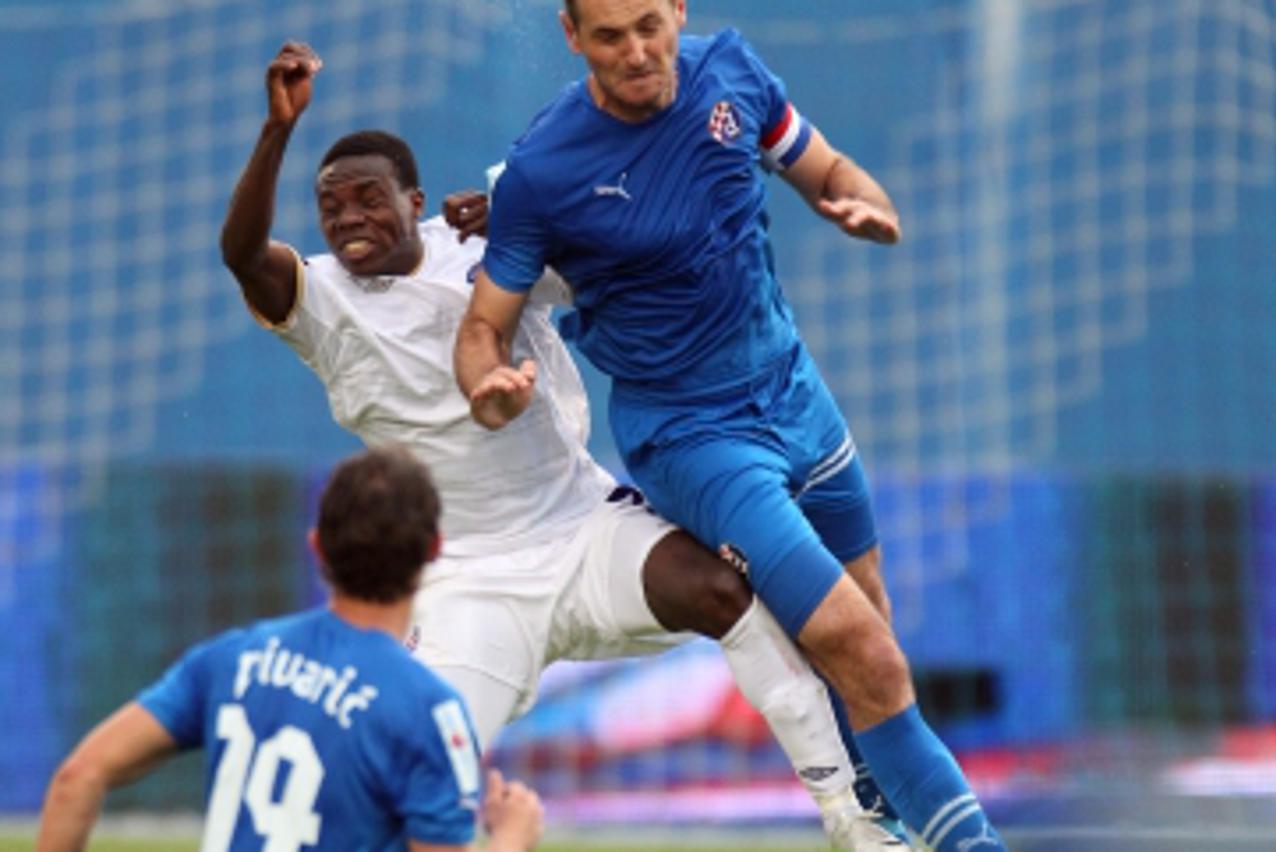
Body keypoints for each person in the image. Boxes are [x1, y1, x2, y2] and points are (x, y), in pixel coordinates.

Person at [218, 42, 900, 850]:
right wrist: (275, 131)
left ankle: (853, 820)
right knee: (419, 767)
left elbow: (624, 257)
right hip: (466, 579)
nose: (349, 218)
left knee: (726, 594)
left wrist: (533, 219)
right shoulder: (319, 299)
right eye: (332, 206)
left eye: (369, 199)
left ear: (417, 200)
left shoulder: (493, 242)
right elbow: (241, 253)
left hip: (580, 528)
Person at [454, 2, 1007, 850]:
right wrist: (487, 382)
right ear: (572, 38)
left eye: (650, 23)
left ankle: (878, 828)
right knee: (870, 654)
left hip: (796, 394)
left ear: (678, 7)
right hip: (693, 439)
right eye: (609, 36)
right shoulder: (543, 170)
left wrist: (859, 203)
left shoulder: (734, 72)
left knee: (871, 635)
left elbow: (830, 173)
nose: (637, 51)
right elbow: (482, 328)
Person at [37, 446, 544, 852]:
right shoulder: (430, 710)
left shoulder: (229, 660)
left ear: (317, 545)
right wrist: (512, 839)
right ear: (434, 549)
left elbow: (78, 776)